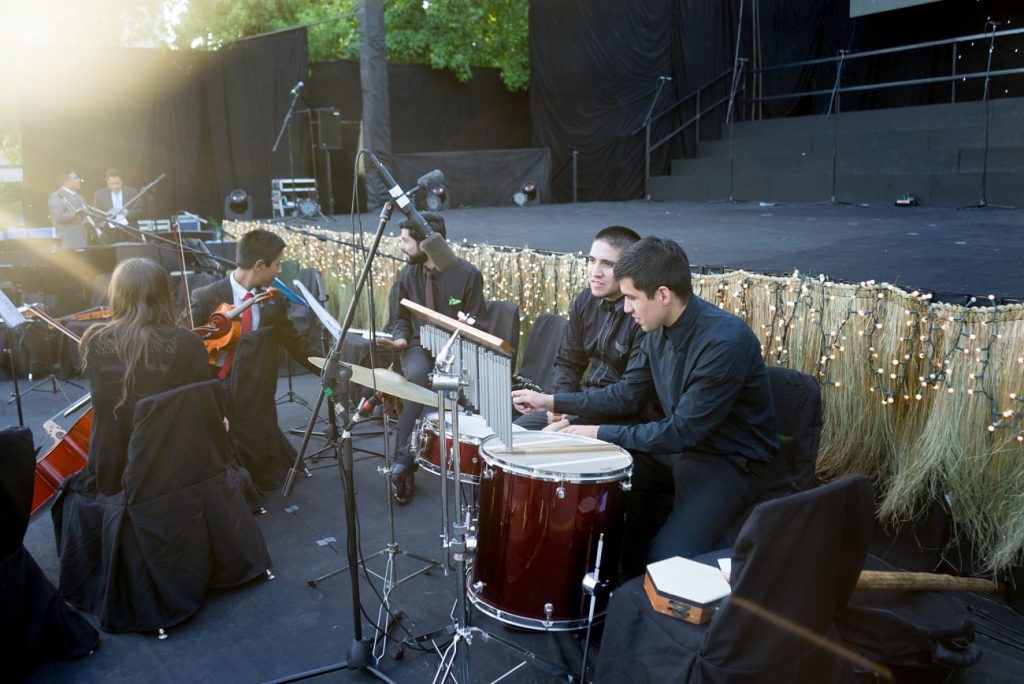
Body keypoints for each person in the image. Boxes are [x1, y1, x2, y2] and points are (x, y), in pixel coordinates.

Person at [512, 236, 778, 574]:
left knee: (662, 563)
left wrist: (596, 432)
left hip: (728, 463)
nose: (626, 309)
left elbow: (682, 431)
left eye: (632, 298)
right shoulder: (655, 328)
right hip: (675, 449)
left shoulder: (725, 342)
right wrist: (557, 405)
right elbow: (627, 395)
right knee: (583, 485)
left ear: (663, 294)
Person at [189, 229, 321, 489]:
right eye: (278, 264)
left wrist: (326, 366)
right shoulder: (206, 297)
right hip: (219, 387)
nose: (279, 271)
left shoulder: (273, 298)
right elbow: (190, 347)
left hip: (257, 391)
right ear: (259, 266)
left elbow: (294, 343)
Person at [377, 212, 487, 504]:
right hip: (416, 345)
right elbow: (399, 319)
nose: (401, 246)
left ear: (426, 244)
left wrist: (465, 331)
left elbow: (480, 323)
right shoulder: (406, 275)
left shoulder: (467, 274)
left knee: (465, 387)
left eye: (405, 241)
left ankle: (479, 464)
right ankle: (404, 460)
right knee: (415, 379)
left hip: (458, 348)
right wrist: (399, 337)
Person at [515, 225, 649, 431]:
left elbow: (628, 398)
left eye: (607, 264)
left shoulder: (644, 314)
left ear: (630, 269)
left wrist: (567, 415)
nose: (595, 272)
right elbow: (568, 362)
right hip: (580, 404)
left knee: (543, 445)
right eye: (591, 260)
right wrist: (558, 407)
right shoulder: (586, 300)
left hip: (621, 418)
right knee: (514, 434)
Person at [47, 169, 90, 248]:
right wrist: (77, 214)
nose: (79, 180)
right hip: (68, 242)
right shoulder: (56, 196)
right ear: (66, 181)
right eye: (75, 178)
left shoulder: (80, 197)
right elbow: (58, 217)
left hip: (82, 240)